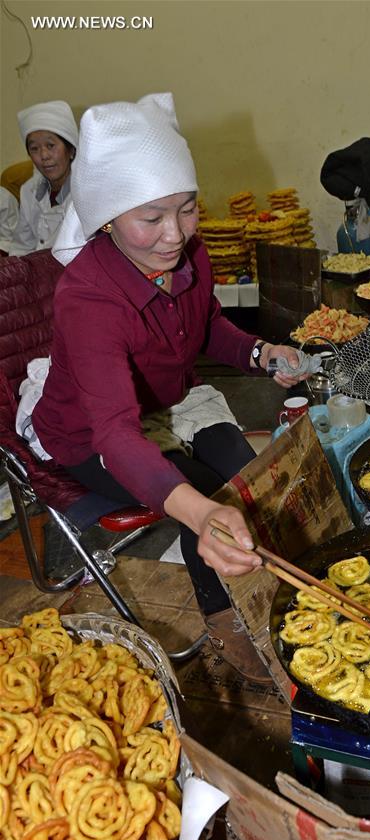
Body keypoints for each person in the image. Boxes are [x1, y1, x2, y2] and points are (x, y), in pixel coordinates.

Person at [32, 93, 309, 682]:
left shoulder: (191, 252)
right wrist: (199, 511)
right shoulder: (88, 298)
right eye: (151, 217)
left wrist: (260, 353)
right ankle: (226, 622)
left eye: (186, 210)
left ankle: (267, 596)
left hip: (168, 397)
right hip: (90, 432)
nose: (174, 235)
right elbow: (114, 432)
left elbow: (204, 324)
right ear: (106, 217)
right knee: (207, 497)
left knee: (247, 475)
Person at [0, 100, 78, 256]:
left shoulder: (87, 191)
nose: (44, 156)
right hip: (35, 274)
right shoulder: (29, 190)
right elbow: (21, 246)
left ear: (70, 150)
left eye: (51, 146)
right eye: (34, 148)